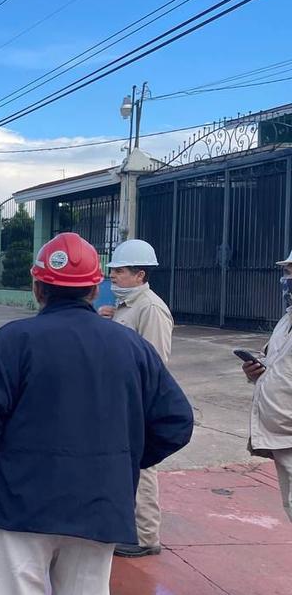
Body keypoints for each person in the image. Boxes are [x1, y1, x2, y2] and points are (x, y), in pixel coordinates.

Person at [0, 232, 194, 595]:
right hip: (99, 507)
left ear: (37, 288)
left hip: (20, 506)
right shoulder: (130, 347)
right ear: (94, 288)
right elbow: (176, 422)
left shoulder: (10, 342)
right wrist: (122, 463)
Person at [98, 238, 173, 558]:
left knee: (142, 468)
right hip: (121, 400)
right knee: (124, 466)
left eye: (120, 271)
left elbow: (155, 362)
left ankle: (145, 536)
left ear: (140, 275)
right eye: (113, 270)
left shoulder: (151, 309)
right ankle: (128, 527)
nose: (113, 276)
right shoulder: (125, 306)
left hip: (138, 402)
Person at [246, 249, 292, 595]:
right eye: (288, 272)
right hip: (284, 435)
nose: (288, 279)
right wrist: (256, 369)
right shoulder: (287, 319)